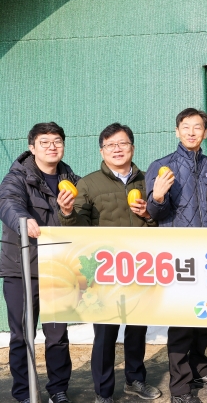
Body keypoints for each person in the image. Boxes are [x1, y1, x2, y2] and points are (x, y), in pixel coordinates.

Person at [58, 123, 161, 403]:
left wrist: (149, 215)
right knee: (105, 333)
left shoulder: (148, 181)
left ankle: (135, 380)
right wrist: (67, 212)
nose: (117, 149)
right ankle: (103, 392)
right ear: (102, 151)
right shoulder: (88, 184)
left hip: (140, 266)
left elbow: (162, 222)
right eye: (110, 145)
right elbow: (78, 227)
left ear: (133, 148)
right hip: (104, 270)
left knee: (137, 328)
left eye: (122, 143)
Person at [145, 108, 207, 403]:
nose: (192, 132)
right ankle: (180, 389)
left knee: (204, 316)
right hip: (178, 255)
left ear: (205, 133)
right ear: (177, 131)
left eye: (197, 127)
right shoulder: (161, 166)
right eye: (186, 127)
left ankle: (200, 370)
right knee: (181, 322)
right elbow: (154, 213)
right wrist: (157, 196)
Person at [0, 122, 77, 403]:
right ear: (32, 147)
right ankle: (24, 392)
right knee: (22, 335)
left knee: (57, 336)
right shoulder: (17, 178)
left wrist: (69, 212)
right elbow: (8, 203)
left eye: (57, 141)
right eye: (44, 142)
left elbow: (82, 216)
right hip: (22, 269)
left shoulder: (73, 180)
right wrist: (23, 220)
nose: (52, 147)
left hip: (58, 269)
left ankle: (58, 390)